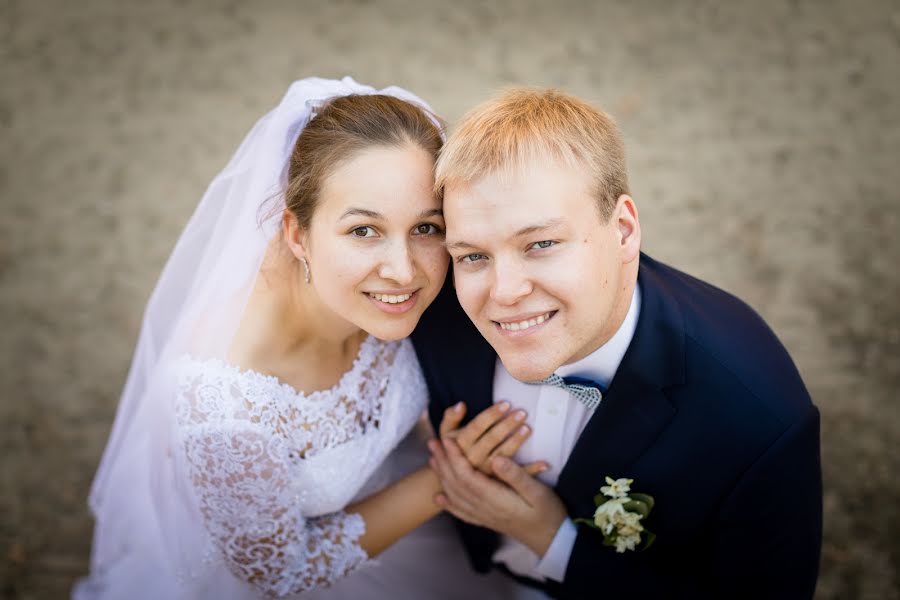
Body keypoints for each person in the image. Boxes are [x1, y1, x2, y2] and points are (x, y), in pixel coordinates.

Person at [75, 77, 541, 599]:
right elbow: (282, 571)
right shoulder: (223, 402)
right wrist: (446, 476)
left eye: (425, 228)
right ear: (296, 234)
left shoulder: (406, 295)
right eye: (363, 230)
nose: (402, 270)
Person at [413, 88, 823, 599]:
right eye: (473, 255)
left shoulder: (759, 419)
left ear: (624, 230)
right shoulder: (432, 311)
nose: (504, 292)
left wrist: (552, 540)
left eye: (540, 244)